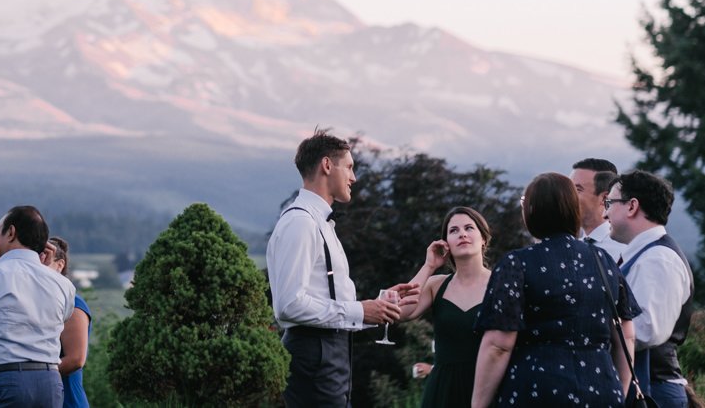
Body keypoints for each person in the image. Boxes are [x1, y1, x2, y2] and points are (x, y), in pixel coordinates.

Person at [265, 128, 412, 407]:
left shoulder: (320, 223)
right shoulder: (301, 223)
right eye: (350, 167)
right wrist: (360, 310)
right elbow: (288, 304)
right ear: (327, 165)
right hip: (313, 355)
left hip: (330, 353)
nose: (354, 178)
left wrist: (373, 309)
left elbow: (324, 297)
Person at [472, 172, 638, 408]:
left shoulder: (517, 264)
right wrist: (616, 391)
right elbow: (626, 335)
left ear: (531, 211)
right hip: (602, 390)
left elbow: (498, 345)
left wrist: (478, 404)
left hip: (537, 391)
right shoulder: (604, 261)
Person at [0, 205, 76, 408]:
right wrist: (46, 271)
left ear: (11, 233)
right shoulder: (63, 285)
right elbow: (57, 321)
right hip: (49, 386)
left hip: (2, 384)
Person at [606, 170, 694, 408]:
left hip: (653, 392)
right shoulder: (645, 255)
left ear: (632, 206)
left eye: (610, 203)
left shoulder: (658, 258)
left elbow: (646, 330)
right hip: (644, 388)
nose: (605, 213)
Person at [397, 206, 494, 408]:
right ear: (446, 243)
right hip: (443, 390)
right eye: (454, 231)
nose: (462, 234)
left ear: (483, 238)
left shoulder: (501, 284)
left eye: (469, 228)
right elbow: (401, 312)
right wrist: (429, 266)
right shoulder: (436, 285)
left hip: (487, 387)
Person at [42, 237, 90, 408]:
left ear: (60, 265)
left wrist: (34, 375)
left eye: (44, 260)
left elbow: (75, 359)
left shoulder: (74, 304)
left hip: (67, 400)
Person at [571, 158, 625, 260]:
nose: (567, 196)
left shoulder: (624, 251)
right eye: (569, 189)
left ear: (605, 198)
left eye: (577, 190)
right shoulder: (573, 247)